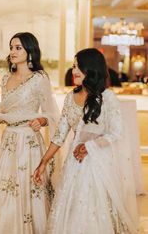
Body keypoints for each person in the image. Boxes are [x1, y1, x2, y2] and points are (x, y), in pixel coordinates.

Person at [34, 48, 138, 234]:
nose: (74, 71)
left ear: (91, 69)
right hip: (74, 164)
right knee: (71, 208)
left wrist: (89, 146)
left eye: (79, 67)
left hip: (98, 163)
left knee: (97, 209)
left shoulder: (107, 98)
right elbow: (60, 135)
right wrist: (43, 161)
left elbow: (115, 132)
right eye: (73, 66)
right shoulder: (69, 98)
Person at [0, 32, 59, 234]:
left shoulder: (39, 78)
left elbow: (51, 114)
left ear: (30, 50)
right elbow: (3, 113)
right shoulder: (7, 78)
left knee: (29, 191)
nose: (13, 52)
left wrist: (41, 120)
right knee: (3, 189)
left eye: (18, 48)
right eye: (11, 47)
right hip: (9, 142)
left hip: (29, 142)